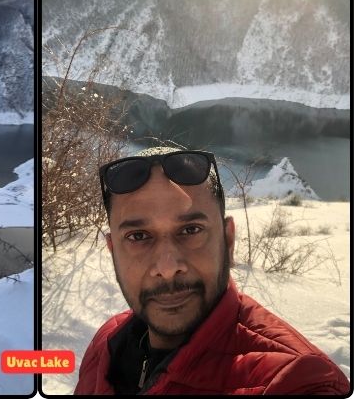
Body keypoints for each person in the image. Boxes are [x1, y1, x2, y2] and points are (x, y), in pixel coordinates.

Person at [74, 146, 350, 395]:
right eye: (138, 236)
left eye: (190, 230)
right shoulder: (106, 343)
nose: (167, 268)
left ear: (228, 240)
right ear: (113, 251)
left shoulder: (294, 378)